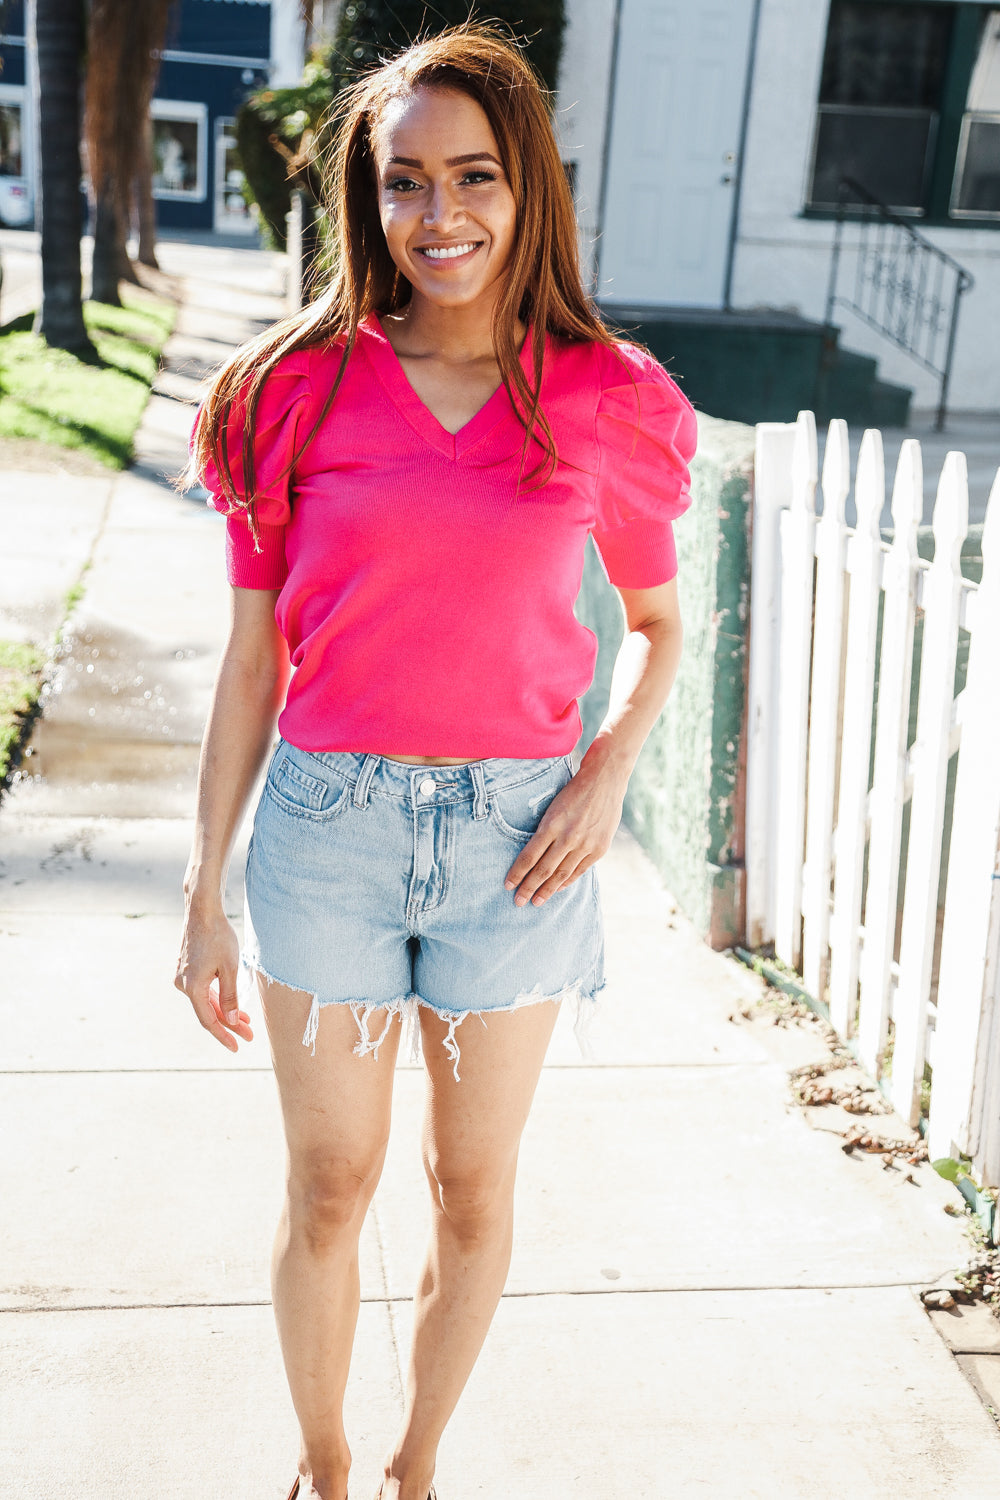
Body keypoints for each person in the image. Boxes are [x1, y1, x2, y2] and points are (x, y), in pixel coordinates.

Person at [175, 21, 696, 1500]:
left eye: (473, 176)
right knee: (328, 1186)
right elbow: (253, 662)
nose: (439, 212)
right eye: (405, 180)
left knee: (471, 1192)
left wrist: (605, 772)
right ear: (370, 198)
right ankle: (327, 1466)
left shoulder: (600, 396)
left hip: (520, 845)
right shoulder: (289, 393)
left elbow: (660, 627)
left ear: (527, 189)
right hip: (329, 829)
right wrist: (203, 890)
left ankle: (413, 1471)